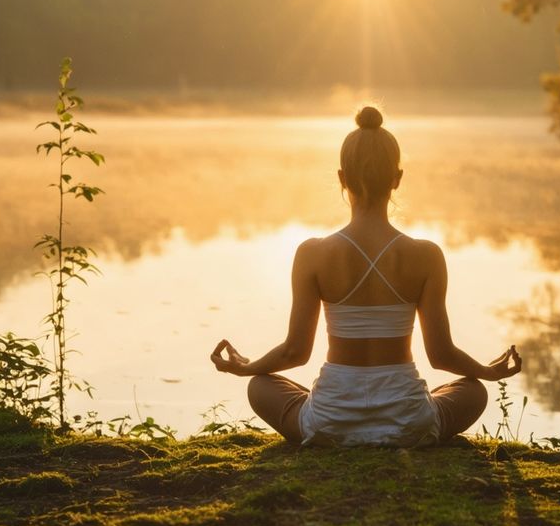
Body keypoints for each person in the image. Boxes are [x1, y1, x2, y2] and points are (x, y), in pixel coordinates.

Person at [209, 105, 522, 446]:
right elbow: (441, 355)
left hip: (331, 421)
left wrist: (247, 367)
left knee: (260, 385)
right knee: (473, 391)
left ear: (342, 178)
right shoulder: (426, 256)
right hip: (408, 422)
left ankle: (333, 431)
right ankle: (404, 428)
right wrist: (490, 373)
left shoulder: (312, 253)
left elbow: (294, 353)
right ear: (397, 179)